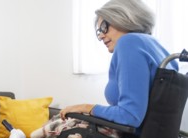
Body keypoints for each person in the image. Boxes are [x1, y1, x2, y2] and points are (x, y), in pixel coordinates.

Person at [60, 0, 178, 131]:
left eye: (104, 27)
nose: (101, 35)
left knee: (57, 131)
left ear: (124, 18)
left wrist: (87, 107)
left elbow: (130, 116)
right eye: (98, 31)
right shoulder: (156, 46)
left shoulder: (129, 42)